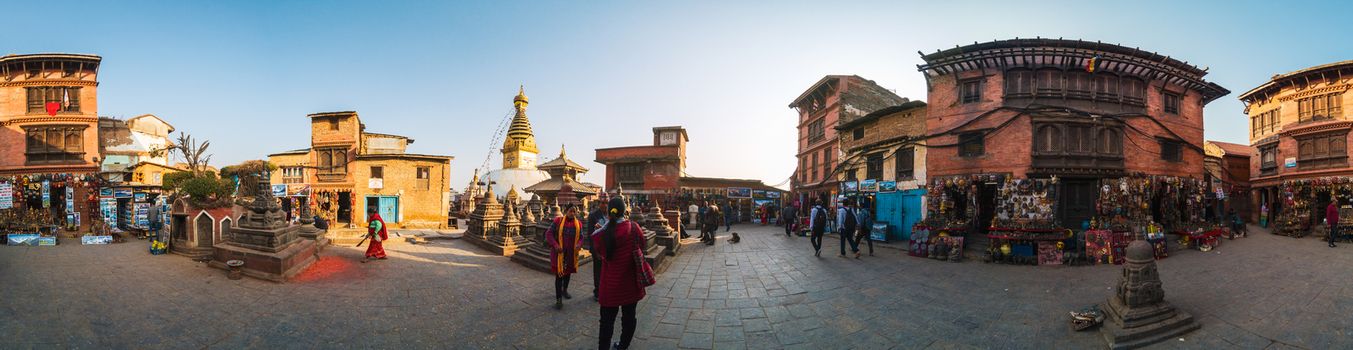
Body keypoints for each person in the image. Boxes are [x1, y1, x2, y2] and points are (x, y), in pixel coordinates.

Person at [593, 197, 647, 350]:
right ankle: (623, 346)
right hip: (630, 283)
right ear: (625, 211)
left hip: (610, 286)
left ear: (609, 212)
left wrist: (601, 229)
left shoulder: (603, 233)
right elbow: (641, 245)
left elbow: (599, 252)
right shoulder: (635, 227)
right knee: (629, 318)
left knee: (606, 323)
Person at [547, 204, 585, 310]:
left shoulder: (578, 224)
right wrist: (555, 245)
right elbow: (549, 234)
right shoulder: (558, 221)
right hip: (558, 253)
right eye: (570, 211)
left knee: (567, 274)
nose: (572, 213)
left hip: (570, 255)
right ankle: (558, 299)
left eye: (574, 211)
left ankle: (565, 290)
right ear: (566, 211)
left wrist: (579, 244)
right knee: (559, 276)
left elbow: (581, 237)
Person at [586, 202, 608, 301]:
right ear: (599, 204)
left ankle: (605, 290)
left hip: (607, 248)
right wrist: (595, 250)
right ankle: (597, 291)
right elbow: (590, 235)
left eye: (607, 203)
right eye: (603, 203)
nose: (605, 205)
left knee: (607, 270)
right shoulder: (593, 215)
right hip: (597, 248)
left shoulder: (610, 215)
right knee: (598, 270)